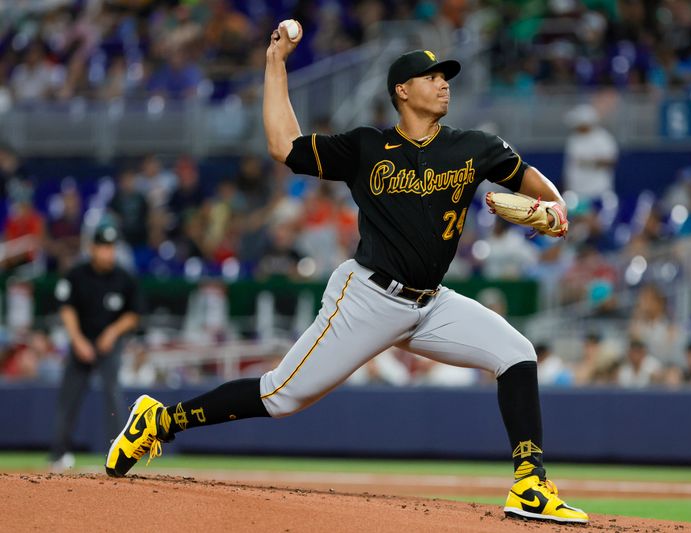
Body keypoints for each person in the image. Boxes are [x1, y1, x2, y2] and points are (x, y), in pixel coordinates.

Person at [105, 23, 588, 525]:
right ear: (402, 91)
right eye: (432, 76)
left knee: (517, 353)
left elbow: (537, 184)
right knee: (279, 395)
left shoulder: (474, 146)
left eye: (447, 76)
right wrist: (276, 62)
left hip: (431, 303)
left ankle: (530, 485)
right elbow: (283, 145)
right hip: (369, 298)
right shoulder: (366, 148)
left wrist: (553, 208)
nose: (444, 83)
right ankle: (160, 420)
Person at [50, 225, 144, 470]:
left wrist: (112, 333)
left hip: (108, 344)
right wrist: (77, 340)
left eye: (111, 248)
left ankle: (119, 453)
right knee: (68, 398)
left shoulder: (124, 278)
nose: (107, 253)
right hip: (81, 341)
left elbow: (134, 314)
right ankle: (59, 453)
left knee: (113, 395)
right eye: (103, 247)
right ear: (92, 248)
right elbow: (66, 308)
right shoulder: (77, 275)